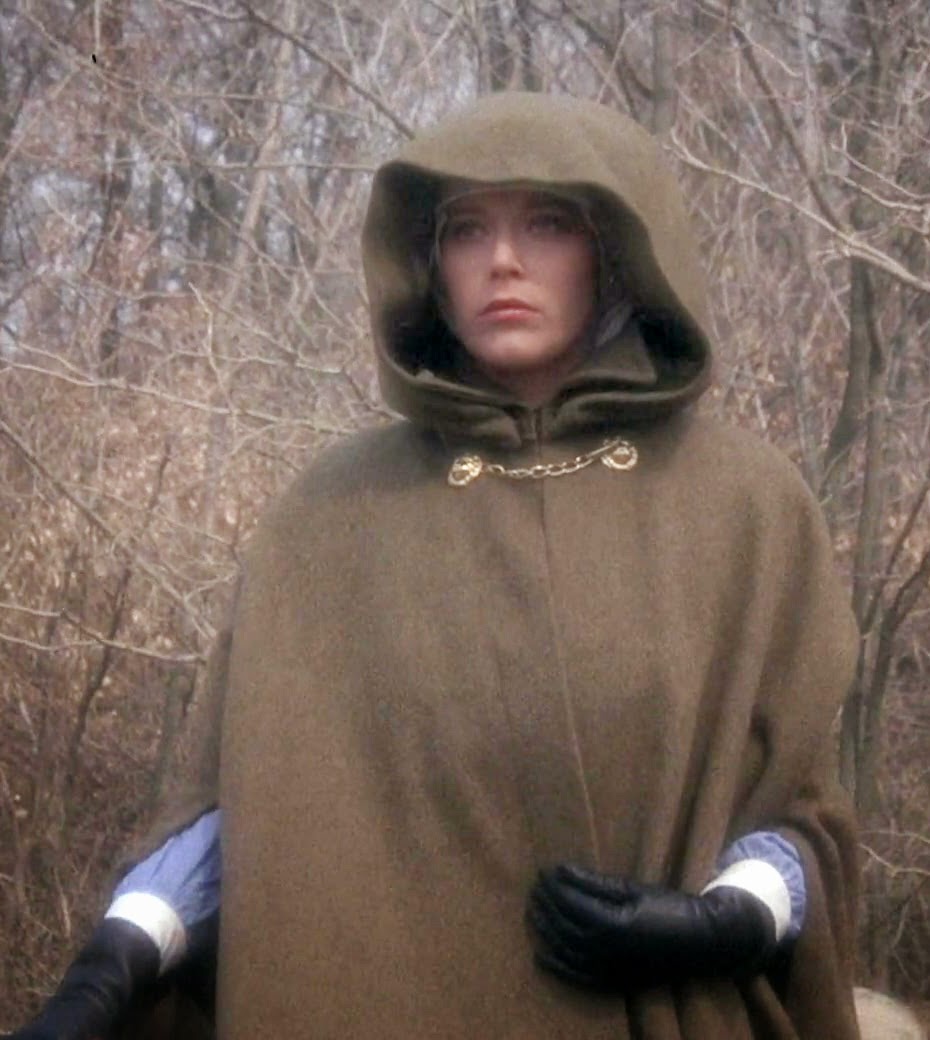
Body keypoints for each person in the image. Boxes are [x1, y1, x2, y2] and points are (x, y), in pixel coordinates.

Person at [6, 91, 861, 1039]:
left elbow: (799, 814)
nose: (502, 261)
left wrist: (734, 917)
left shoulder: (743, 505)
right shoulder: (334, 513)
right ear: (430, 263)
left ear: (615, 249)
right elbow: (253, 803)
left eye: (548, 223)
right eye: (465, 230)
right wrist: (120, 954)